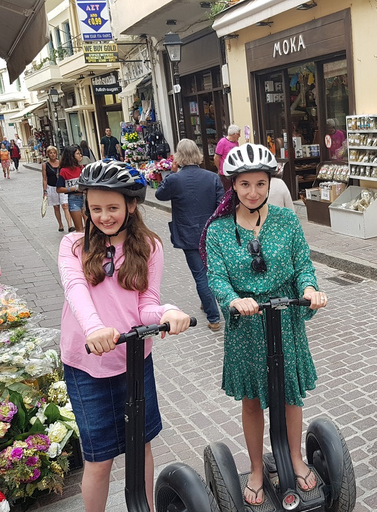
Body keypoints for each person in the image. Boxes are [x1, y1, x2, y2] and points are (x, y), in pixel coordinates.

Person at [58, 159, 191, 512]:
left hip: (133, 358)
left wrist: (168, 313)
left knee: (140, 445)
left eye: (113, 207)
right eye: (96, 207)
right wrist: (94, 329)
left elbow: (146, 304)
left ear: (131, 206)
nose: (104, 216)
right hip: (87, 364)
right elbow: (76, 289)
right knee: (99, 458)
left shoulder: (149, 246)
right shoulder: (73, 246)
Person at [203, 143, 327, 506]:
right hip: (247, 324)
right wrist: (232, 300)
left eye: (260, 184)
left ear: (270, 183)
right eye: (245, 185)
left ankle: (295, 458)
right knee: (253, 399)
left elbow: (303, 262)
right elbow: (217, 278)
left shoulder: (286, 220)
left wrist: (308, 287)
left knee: (289, 393)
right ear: (234, 187)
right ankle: (257, 468)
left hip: (285, 318)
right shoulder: (219, 230)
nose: (253, 192)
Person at [154, 139, 224, 331]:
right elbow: (221, 204)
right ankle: (210, 303)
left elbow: (159, 195)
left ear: (178, 156)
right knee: (215, 272)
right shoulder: (212, 177)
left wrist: (171, 172)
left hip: (188, 234)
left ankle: (214, 318)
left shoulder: (174, 179)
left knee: (201, 275)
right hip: (211, 233)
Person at [42, 145, 74, 232]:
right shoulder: (45, 165)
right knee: (56, 207)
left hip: (62, 186)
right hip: (51, 187)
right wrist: (45, 191)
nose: (52, 155)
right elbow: (45, 178)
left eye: (54, 153)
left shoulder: (61, 163)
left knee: (65, 205)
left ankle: (70, 225)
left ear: (57, 154)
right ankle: (60, 224)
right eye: (50, 153)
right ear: (48, 154)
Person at [56, 145, 86, 232]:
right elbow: (59, 189)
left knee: (89, 226)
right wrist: (73, 188)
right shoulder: (64, 171)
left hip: (85, 198)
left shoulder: (82, 168)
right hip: (74, 199)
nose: (80, 155)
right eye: (78, 153)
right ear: (71, 156)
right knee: (79, 228)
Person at [213, 124, 240, 191]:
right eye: (238, 134)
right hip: (225, 173)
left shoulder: (236, 143)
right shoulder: (222, 142)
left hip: (234, 171)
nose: (240, 136)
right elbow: (216, 157)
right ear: (234, 134)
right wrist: (219, 169)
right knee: (227, 191)